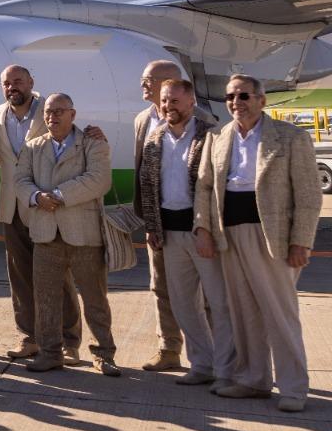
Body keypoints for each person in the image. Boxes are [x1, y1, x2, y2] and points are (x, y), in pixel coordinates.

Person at [195, 74, 317, 412]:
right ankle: (253, 379)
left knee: (280, 314)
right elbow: (205, 186)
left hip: (271, 236)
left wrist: (301, 241)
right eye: (230, 97)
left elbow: (309, 195)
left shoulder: (290, 137)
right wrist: (203, 229)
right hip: (230, 234)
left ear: (262, 100)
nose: (236, 103)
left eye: (244, 96)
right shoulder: (217, 137)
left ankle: (293, 388)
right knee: (244, 312)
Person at [15, 93, 119, 375]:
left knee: (95, 298)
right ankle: (50, 353)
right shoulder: (33, 146)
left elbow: (100, 180)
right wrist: (36, 197)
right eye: (48, 112)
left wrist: (60, 196)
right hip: (45, 235)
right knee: (46, 299)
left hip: (84, 234)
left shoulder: (93, 143)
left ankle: (103, 354)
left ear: (73, 114)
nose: (53, 117)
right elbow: (20, 180)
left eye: (59, 111)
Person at [138, 79, 232, 388]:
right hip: (170, 233)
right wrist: (152, 226)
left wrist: (208, 228)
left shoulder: (210, 136)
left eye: (175, 101)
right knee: (183, 304)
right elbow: (148, 186)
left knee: (219, 302)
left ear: (191, 103)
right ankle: (202, 365)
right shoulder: (155, 138)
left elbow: (217, 187)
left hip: (203, 233)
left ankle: (228, 369)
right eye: (165, 101)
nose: (168, 107)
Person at [0, 65, 83, 365]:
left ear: (31, 82)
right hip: (12, 205)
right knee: (20, 276)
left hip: (45, 204)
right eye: (7, 83)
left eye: (18, 81)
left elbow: (70, 139)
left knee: (58, 275)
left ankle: (69, 340)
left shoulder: (48, 109)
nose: (12, 87)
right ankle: (29, 337)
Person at [133, 59, 188, 372]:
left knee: (203, 293)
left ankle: (212, 356)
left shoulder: (201, 121)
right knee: (160, 287)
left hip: (192, 221)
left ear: (170, 82)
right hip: (158, 221)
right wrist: (147, 218)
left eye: (148, 80)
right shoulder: (143, 119)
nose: (143, 85)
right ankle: (168, 349)